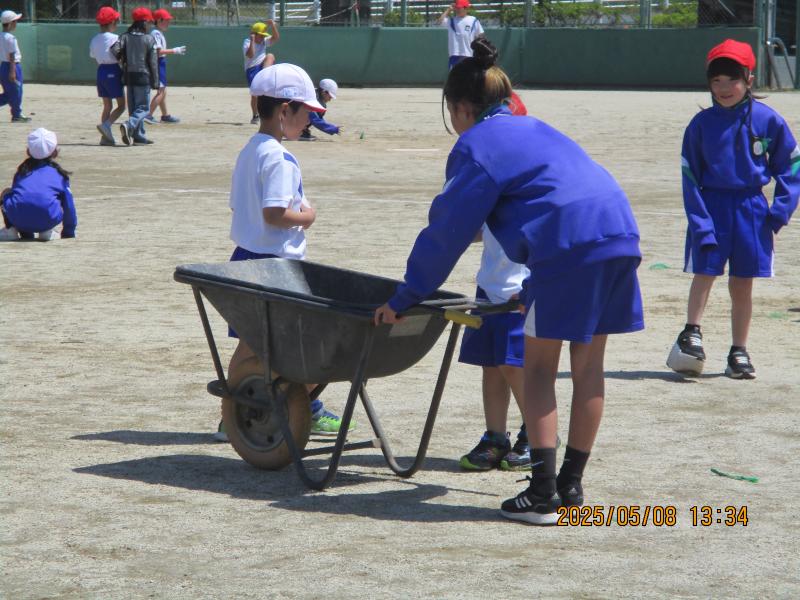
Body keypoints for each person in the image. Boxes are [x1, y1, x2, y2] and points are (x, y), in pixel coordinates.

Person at [374, 38, 643, 525]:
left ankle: (541, 495)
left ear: (460, 107)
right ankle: (570, 487)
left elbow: (447, 234)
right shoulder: (534, 126)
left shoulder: (475, 145)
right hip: (619, 233)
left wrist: (406, 296)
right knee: (588, 368)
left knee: (538, 369)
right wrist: (535, 285)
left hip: (567, 246)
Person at [214, 62, 355, 442]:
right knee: (297, 347)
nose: (309, 120)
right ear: (283, 110)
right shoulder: (279, 157)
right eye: (305, 112)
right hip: (275, 266)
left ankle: (234, 416)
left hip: (246, 258)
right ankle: (299, 408)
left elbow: (238, 205)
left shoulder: (250, 150)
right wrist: (308, 216)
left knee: (249, 346)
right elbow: (275, 213)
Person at [666, 39, 799, 380]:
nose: (724, 88)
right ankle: (691, 333)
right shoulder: (700, 125)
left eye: (732, 80)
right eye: (716, 81)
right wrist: (700, 222)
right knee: (705, 272)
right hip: (711, 207)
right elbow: (690, 177)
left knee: (742, 285)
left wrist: (779, 211)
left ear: (749, 79)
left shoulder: (768, 120)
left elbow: (791, 165)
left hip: (752, 211)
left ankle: (739, 351)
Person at [458, 225, 530, 472]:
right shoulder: (490, 199)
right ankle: (495, 438)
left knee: (513, 365)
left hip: (521, 292)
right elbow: (478, 230)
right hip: (489, 288)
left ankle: (538, 435)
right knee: (491, 365)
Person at [0, 128, 77, 242]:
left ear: (28, 151)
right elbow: (69, 206)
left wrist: (26, 233)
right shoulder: (59, 174)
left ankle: (11, 229)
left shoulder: (22, 171)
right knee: (57, 199)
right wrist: (68, 231)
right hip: (48, 220)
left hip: (18, 220)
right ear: (55, 152)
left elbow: (21, 197)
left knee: (7, 192)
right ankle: (46, 231)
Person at [111, 7, 158, 146]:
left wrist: (122, 59)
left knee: (134, 109)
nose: (150, 25)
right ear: (144, 22)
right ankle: (128, 124)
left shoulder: (125, 36)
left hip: (129, 76)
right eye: (150, 22)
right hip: (143, 76)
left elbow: (114, 49)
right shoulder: (149, 39)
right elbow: (153, 62)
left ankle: (138, 136)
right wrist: (155, 81)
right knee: (143, 108)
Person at [90, 6, 126, 146]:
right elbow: (120, 57)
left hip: (101, 71)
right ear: (111, 22)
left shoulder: (94, 39)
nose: (117, 23)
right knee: (122, 106)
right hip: (113, 70)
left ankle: (105, 137)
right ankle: (106, 125)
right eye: (116, 21)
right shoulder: (115, 38)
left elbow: (94, 56)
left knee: (107, 106)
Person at [145, 9, 186, 125]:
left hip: (160, 63)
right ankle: (148, 115)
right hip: (158, 63)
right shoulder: (156, 33)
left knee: (162, 91)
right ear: (159, 20)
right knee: (161, 92)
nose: (168, 23)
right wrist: (175, 50)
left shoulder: (157, 33)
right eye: (166, 20)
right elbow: (158, 52)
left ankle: (165, 115)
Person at [243, 20, 279, 125]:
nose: (263, 37)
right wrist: (252, 40)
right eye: (261, 35)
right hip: (252, 69)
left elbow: (275, 38)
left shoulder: (264, 41)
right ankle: (255, 115)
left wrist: (273, 26)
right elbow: (250, 55)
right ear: (254, 34)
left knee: (270, 56)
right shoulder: (247, 42)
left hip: (262, 67)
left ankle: (264, 76)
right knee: (255, 95)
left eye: (264, 35)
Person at [0, 10, 30, 122]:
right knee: (16, 92)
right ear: (10, 23)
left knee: (10, 93)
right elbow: (12, 55)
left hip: (3, 66)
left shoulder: (1, 36)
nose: (16, 23)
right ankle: (17, 115)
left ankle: (17, 114)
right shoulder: (11, 38)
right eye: (15, 21)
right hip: (13, 66)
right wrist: (12, 71)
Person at [439, 0, 483, 71]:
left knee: (468, 77)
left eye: (459, 8)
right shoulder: (451, 21)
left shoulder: (473, 20)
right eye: (456, 8)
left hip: (468, 55)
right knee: (454, 77)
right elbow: (440, 21)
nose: (457, 10)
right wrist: (448, 9)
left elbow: (480, 35)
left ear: (466, 8)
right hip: (454, 56)